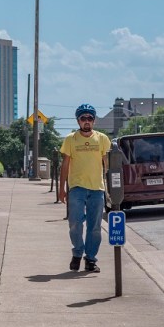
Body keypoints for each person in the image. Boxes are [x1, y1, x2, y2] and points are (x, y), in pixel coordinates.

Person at [58, 103, 111, 272]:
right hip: (77, 188)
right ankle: (77, 253)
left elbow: (107, 164)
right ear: (78, 121)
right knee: (75, 223)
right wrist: (62, 188)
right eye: (83, 118)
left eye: (90, 118)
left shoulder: (102, 139)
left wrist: (109, 187)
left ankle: (90, 259)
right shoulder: (70, 139)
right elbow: (65, 165)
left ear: (94, 121)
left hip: (97, 188)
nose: (86, 121)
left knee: (94, 226)